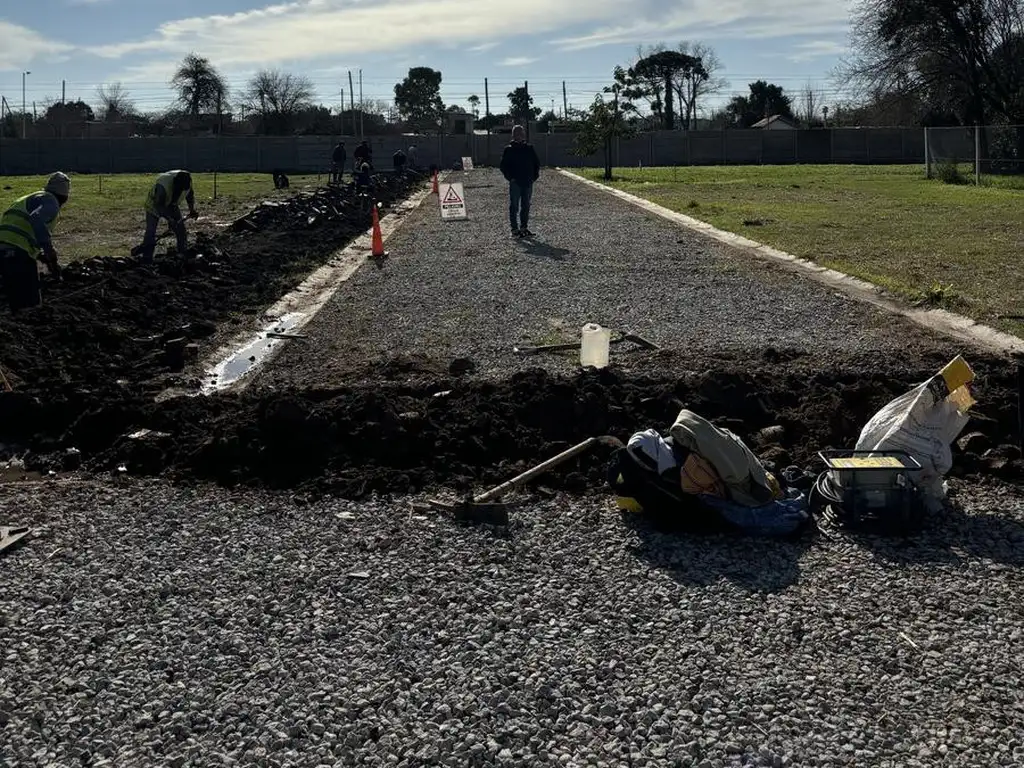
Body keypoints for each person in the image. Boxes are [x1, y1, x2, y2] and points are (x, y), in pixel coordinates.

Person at [0, 171, 70, 311]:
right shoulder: (51, 201)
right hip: (18, 252)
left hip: (3, 250)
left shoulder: (29, 197)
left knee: (15, 300)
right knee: (30, 304)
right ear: (65, 196)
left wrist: (40, 255)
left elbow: (21, 229)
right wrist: (49, 250)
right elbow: (36, 219)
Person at [130, 170, 198, 264]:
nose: (180, 191)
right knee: (151, 232)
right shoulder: (163, 186)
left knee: (180, 230)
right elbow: (159, 205)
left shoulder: (187, 181)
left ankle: (182, 255)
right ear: (175, 184)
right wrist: (170, 219)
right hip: (154, 205)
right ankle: (147, 259)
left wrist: (192, 210)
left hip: (172, 205)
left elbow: (190, 195)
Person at [499, 125, 540, 238]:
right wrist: (510, 178)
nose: (519, 135)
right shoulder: (509, 149)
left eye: (521, 133)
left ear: (524, 134)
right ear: (513, 135)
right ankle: (514, 229)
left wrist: (534, 177)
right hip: (515, 183)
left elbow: (536, 164)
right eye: (517, 133)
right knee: (514, 206)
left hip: (528, 182)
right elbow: (503, 166)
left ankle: (524, 228)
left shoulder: (529, 148)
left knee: (526, 206)